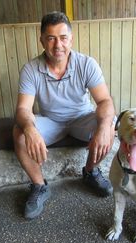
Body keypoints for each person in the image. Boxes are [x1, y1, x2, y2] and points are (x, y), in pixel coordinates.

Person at [13, 11, 116, 220]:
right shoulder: (31, 69)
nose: (57, 45)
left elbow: (105, 101)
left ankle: (90, 171)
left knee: (109, 123)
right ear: (42, 40)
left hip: (82, 118)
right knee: (19, 132)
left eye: (63, 37)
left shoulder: (87, 64)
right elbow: (23, 110)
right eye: (50, 38)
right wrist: (30, 128)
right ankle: (39, 186)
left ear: (71, 39)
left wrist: (105, 126)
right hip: (51, 121)